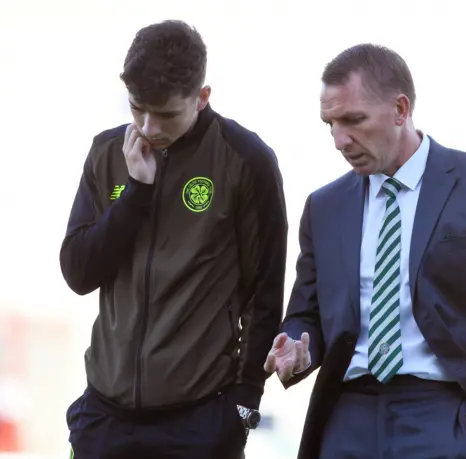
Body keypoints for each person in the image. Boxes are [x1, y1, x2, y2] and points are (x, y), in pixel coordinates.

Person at [264, 44, 466, 459]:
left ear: (400, 109)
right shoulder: (324, 206)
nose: (340, 140)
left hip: (444, 414)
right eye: (330, 124)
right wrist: (295, 348)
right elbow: (308, 313)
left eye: (353, 120)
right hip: (346, 416)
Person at [60, 20, 288, 458]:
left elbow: (264, 290)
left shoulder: (245, 160)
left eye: (165, 114)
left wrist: (244, 406)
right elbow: (78, 271)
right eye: (136, 109)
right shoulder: (107, 153)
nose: (148, 126)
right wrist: (135, 196)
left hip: (198, 423)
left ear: (202, 98)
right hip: (104, 420)